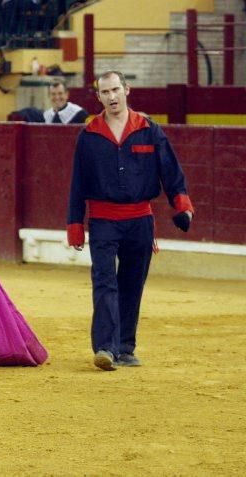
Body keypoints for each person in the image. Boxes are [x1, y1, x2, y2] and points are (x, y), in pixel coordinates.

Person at [67, 70, 194, 371]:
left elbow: (170, 171)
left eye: (115, 90)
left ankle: (125, 346)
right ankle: (106, 348)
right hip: (103, 221)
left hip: (140, 220)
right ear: (98, 97)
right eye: (105, 92)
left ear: (126, 90)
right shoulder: (88, 135)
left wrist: (182, 206)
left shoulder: (149, 129)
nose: (111, 97)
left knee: (132, 284)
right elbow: (78, 182)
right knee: (104, 282)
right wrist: (75, 223)